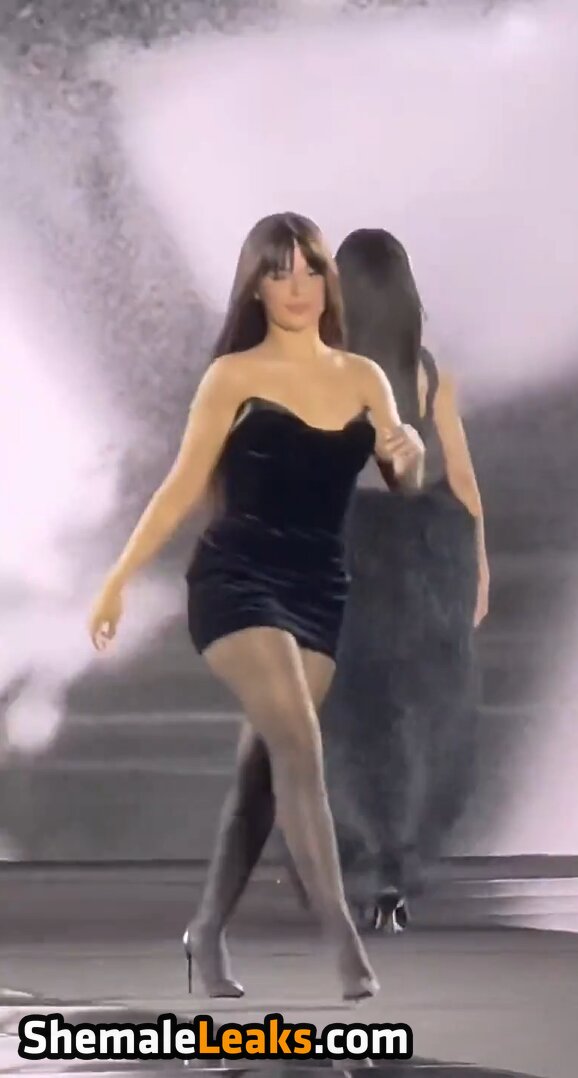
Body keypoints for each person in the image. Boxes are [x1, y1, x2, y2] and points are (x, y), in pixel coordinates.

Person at [87, 212, 425, 1002]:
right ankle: (342, 939)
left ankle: (205, 930)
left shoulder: (363, 378)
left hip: (319, 589)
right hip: (235, 579)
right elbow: (182, 484)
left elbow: (401, 477)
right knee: (298, 743)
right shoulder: (233, 377)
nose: (296, 287)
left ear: (327, 282)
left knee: (263, 773)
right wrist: (118, 578)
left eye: (309, 270)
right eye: (278, 272)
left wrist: (408, 456)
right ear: (256, 287)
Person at [323, 228, 489, 931]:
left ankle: (369, 861)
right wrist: (477, 565)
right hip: (426, 547)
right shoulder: (426, 374)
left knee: (354, 715)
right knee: (422, 713)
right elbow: (462, 477)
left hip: (352, 547)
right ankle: (402, 860)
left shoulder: (323, 372)